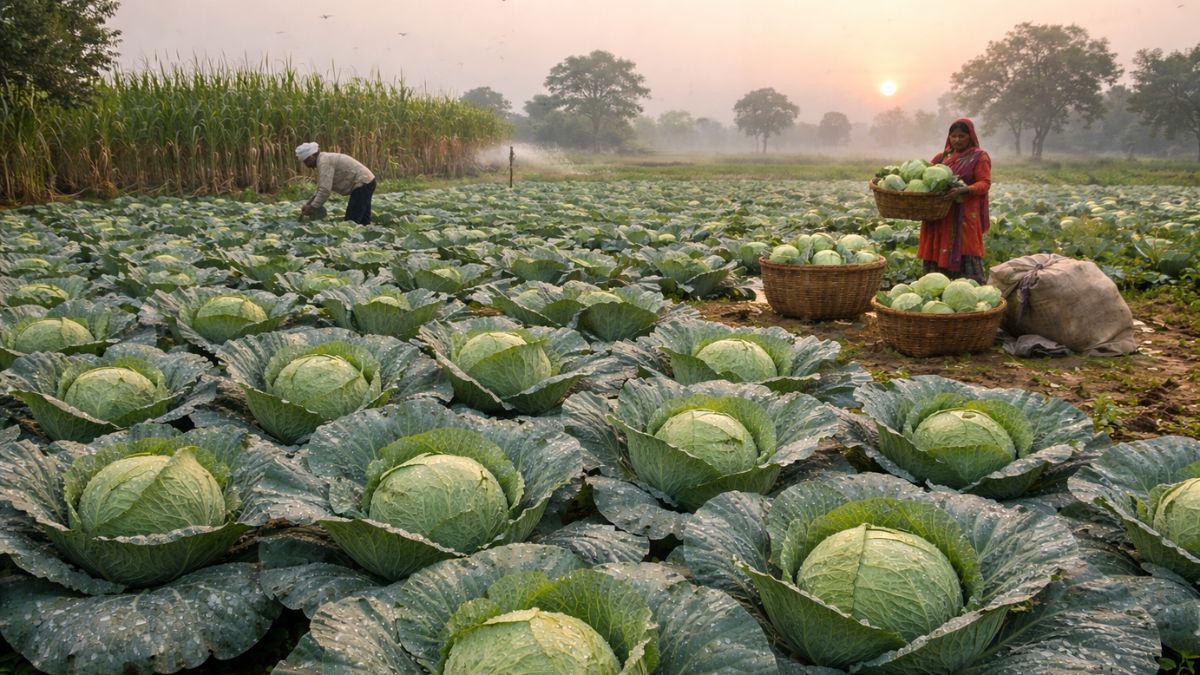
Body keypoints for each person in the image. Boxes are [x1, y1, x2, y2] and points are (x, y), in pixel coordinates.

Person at [918, 118, 991, 283]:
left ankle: (971, 290)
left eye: (962, 136)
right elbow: (923, 177)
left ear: (970, 136)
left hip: (963, 215)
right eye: (954, 136)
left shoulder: (979, 157)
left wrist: (965, 189)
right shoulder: (941, 158)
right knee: (937, 251)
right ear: (949, 137)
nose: (957, 140)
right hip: (939, 216)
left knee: (966, 249)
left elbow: (985, 183)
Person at [295, 142, 377, 225]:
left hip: (362, 183)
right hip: (367, 181)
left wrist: (312, 207)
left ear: (312, 156)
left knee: (351, 222)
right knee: (363, 221)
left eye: (306, 161)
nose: (306, 165)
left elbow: (325, 190)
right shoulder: (324, 159)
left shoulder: (324, 162)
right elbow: (321, 187)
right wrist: (309, 203)